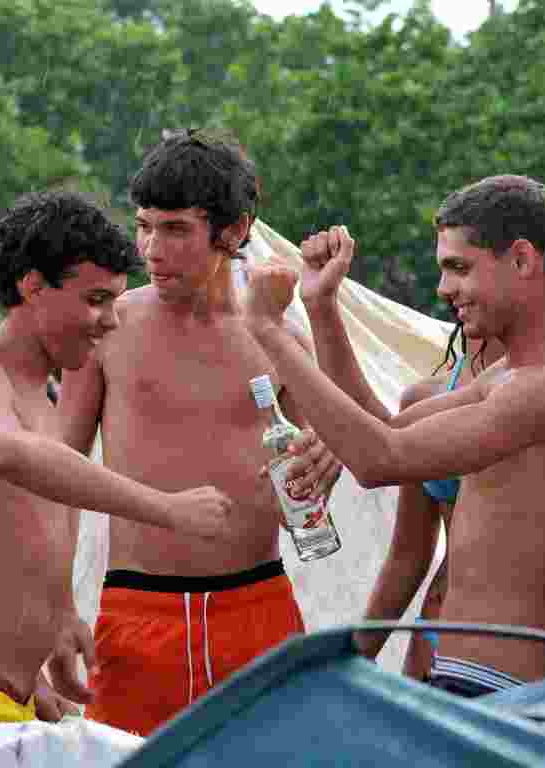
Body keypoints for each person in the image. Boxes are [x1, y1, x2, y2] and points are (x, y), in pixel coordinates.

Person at [0, 191, 233, 733]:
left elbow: (39, 516)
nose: (110, 321)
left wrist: (60, 613)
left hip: (4, 695)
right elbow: (5, 452)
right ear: (33, 286)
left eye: (115, 301)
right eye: (96, 300)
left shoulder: (45, 403)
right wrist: (167, 508)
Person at [244, 175, 545, 696]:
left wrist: (268, 332)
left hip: (502, 688)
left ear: (523, 260)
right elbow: (383, 429)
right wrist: (322, 307)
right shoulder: (510, 378)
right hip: (468, 675)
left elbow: (376, 460)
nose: (443, 289)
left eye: (459, 268)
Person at [57, 130, 341, 736]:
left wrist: (327, 454)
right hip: (136, 611)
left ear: (234, 230)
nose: (152, 249)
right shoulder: (108, 329)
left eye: (176, 229)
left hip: (256, 609)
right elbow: (56, 476)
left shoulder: (279, 337)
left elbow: (334, 461)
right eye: (145, 226)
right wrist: (51, 604)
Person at [358, 326, 504, 679]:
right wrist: (356, 656)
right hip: (434, 628)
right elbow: (408, 555)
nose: (445, 288)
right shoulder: (424, 400)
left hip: (514, 639)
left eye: (460, 268)